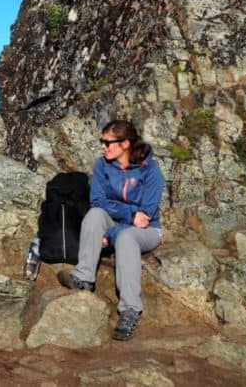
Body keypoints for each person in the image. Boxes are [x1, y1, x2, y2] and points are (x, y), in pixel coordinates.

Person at [57, 119, 164, 341]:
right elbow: (98, 202)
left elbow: (145, 217)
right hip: (120, 222)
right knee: (95, 215)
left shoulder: (151, 170)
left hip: (147, 231)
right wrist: (128, 215)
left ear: (125, 144)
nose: (102, 146)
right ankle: (84, 278)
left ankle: (130, 310)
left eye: (107, 142)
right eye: (102, 141)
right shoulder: (102, 166)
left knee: (125, 237)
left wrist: (110, 234)